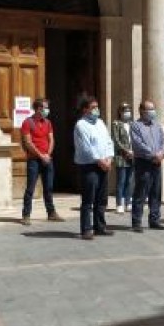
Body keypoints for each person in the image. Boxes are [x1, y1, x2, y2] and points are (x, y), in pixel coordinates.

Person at [73, 97, 114, 240]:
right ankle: (86, 229)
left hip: (104, 164)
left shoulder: (101, 123)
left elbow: (108, 141)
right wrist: (99, 160)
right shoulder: (81, 125)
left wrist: (109, 158)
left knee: (101, 199)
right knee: (88, 199)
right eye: (93, 107)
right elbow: (86, 147)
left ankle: (100, 226)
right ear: (85, 109)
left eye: (97, 107)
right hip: (89, 166)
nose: (97, 110)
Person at [20, 98, 64, 226]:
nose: (47, 110)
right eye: (45, 107)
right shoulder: (27, 123)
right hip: (34, 160)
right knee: (30, 188)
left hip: (47, 160)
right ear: (38, 108)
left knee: (49, 187)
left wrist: (48, 155)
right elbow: (28, 142)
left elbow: (51, 139)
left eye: (47, 107)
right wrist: (40, 155)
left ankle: (51, 213)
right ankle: (26, 215)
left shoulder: (48, 123)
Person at [130, 100, 164, 233]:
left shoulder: (157, 126)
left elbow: (163, 141)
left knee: (156, 192)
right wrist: (153, 155)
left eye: (153, 109)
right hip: (144, 162)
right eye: (149, 109)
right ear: (141, 111)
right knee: (141, 192)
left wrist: (161, 153)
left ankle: (154, 219)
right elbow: (138, 144)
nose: (152, 112)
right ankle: (136, 222)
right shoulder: (136, 125)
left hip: (157, 162)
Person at [111, 103, 134, 214]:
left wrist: (133, 151)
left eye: (128, 110)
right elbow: (116, 140)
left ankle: (128, 202)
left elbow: (134, 139)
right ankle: (119, 203)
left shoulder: (131, 124)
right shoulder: (116, 124)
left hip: (132, 156)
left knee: (129, 181)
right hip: (121, 156)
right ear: (120, 112)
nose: (127, 113)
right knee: (121, 181)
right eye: (125, 110)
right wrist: (126, 150)